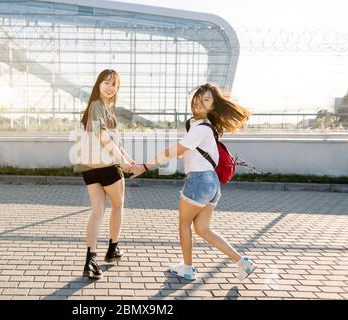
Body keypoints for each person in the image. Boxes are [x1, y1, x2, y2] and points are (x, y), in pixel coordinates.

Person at [130, 83, 257, 281]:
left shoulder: (202, 128)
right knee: (203, 229)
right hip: (212, 183)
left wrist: (144, 167)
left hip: (199, 181)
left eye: (206, 100)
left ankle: (187, 268)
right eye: (198, 97)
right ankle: (243, 262)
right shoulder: (203, 127)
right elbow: (190, 152)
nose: (199, 101)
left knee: (184, 224)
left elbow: (171, 152)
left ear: (212, 107)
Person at [76, 69, 135, 280]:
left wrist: (127, 159)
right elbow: (103, 137)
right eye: (106, 82)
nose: (110, 87)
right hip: (108, 166)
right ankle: (113, 249)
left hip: (90, 168)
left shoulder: (100, 108)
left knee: (97, 211)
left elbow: (115, 141)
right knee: (117, 205)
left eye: (114, 84)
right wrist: (122, 161)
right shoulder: (98, 106)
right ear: (98, 84)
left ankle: (90, 260)